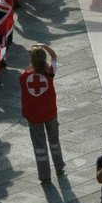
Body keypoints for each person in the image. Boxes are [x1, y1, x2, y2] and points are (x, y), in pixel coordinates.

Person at [20, 45, 65, 183]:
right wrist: (45, 47)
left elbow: (28, 71)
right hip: (50, 112)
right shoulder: (50, 72)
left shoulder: (24, 77)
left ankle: (44, 174)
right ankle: (59, 166)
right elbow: (54, 57)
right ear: (44, 59)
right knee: (54, 141)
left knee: (39, 146)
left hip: (33, 116)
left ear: (31, 60)